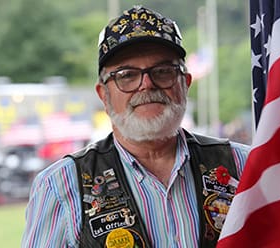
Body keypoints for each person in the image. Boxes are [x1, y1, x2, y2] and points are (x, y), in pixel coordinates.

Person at [21, 5, 250, 248]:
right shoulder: (60, 186)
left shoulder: (244, 165)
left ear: (185, 83)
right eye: (127, 75)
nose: (147, 85)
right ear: (103, 95)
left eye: (163, 71)